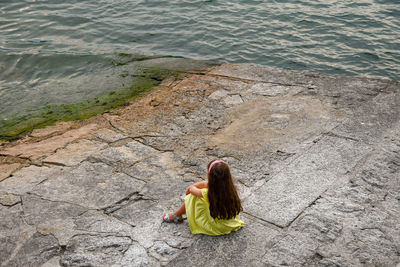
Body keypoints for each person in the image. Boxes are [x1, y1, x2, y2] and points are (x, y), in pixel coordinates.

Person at [162, 159, 244, 235]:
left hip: (218, 227)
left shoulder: (207, 193)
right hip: (230, 223)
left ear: (208, 175)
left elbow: (190, 189)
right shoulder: (231, 188)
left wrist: (204, 184)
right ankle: (179, 213)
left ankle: (176, 215)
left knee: (192, 197)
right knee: (203, 198)